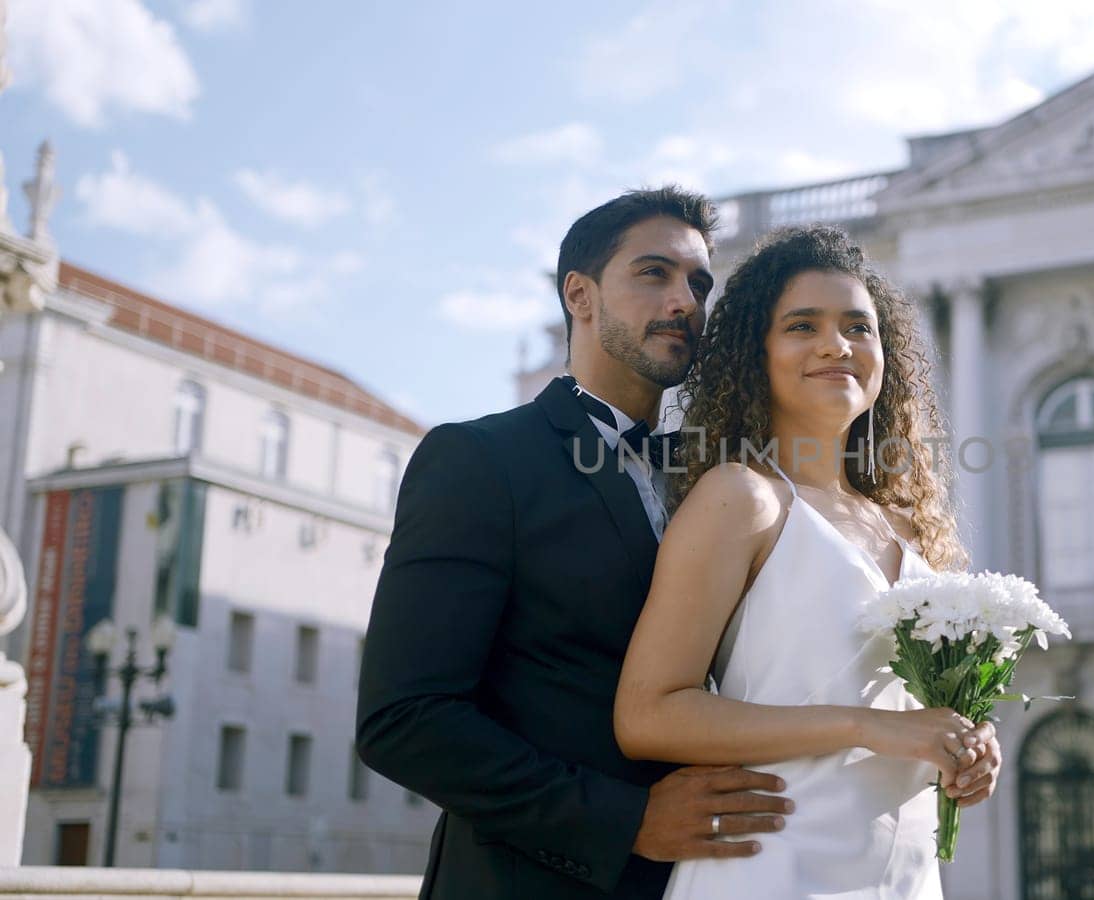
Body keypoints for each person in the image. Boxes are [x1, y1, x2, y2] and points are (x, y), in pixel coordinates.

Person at [356, 188, 803, 899]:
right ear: (580, 295)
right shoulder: (480, 459)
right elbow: (404, 720)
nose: (684, 300)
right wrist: (627, 822)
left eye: (698, 282)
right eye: (653, 273)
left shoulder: (719, 479)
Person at [613, 224, 1002, 900]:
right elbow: (647, 715)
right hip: (769, 869)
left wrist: (965, 746)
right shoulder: (742, 498)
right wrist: (866, 727)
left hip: (904, 878)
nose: (837, 345)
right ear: (756, 355)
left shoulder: (911, 528)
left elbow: (907, 715)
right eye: (803, 326)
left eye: (859, 327)